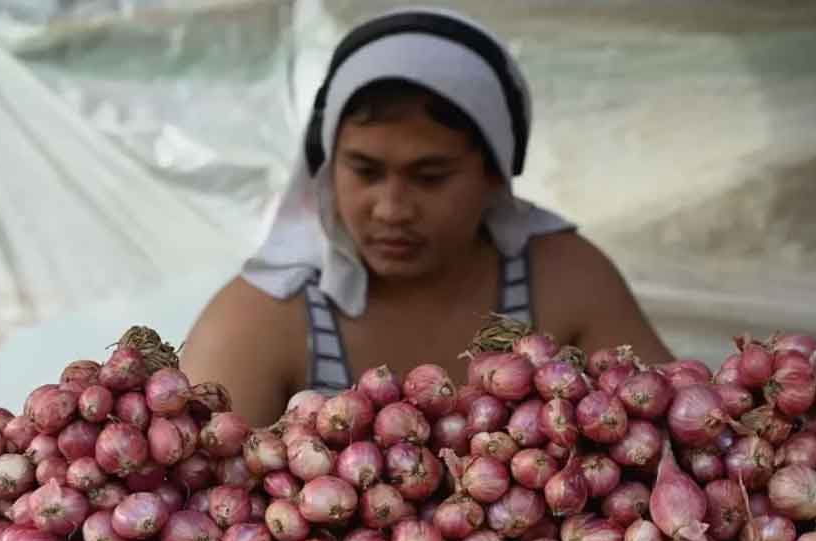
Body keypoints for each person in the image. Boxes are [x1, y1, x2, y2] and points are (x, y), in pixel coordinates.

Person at [180, 8, 672, 427]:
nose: (392, 209)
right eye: (365, 171)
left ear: (495, 175)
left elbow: (674, 424)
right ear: (327, 168)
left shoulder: (565, 280)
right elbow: (192, 486)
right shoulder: (266, 316)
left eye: (431, 176)